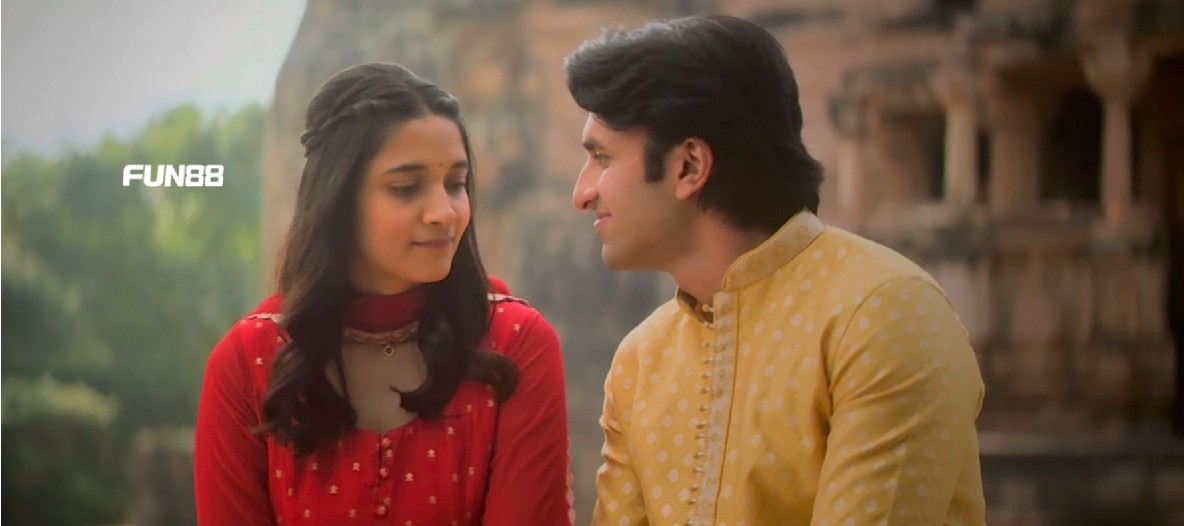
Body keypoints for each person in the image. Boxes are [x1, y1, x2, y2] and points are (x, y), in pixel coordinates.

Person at [565, 15, 986, 525]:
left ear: (689, 166)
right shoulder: (640, 361)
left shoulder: (882, 316)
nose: (582, 193)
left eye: (602, 158)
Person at [194, 63, 573, 526]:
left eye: (455, 184)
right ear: (337, 199)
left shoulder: (515, 345)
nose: (444, 212)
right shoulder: (249, 361)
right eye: (406, 188)